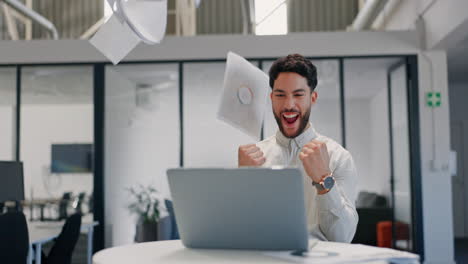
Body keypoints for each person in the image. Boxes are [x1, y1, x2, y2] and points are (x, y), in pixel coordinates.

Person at [238, 54, 358, 243]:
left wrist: (324, 181)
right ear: (271, 98)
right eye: (280, 95)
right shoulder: (254, 157)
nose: (288, 105)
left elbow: (342, 238)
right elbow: (240, 231)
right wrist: (243, 181)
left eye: (298, 95)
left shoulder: (339, 157)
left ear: (313, 97)